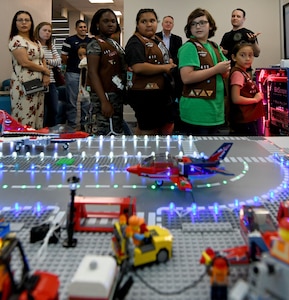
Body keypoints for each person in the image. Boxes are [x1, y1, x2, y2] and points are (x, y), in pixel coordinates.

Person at [178, 8, 230, 135]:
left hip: (215, 111)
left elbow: (225, 71)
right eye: (193, 24)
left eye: (202, 22)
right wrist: (216, 69)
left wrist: (223, 70)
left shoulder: (214, 46)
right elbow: (187, 77)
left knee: (211, 151)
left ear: (210, 25)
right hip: (197, 112)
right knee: (196, 152)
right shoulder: (189, 47)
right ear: (189, 28)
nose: (198, 27)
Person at [125, 8, 177, 135]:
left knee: (161, 128)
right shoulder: (135, 42)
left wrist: (169, 64)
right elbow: (138, 66)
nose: (149, 24)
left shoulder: (157, 40)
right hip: (145, 95)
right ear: (138, 24)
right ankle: (143, 154)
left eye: (152, 20)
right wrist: (165, 68)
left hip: (160, 93)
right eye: (144, 21)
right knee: (148, 130)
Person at [87, 8, 126, 135]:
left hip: (116, 95)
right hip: (104, 96)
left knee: (116, 131)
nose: (110, 24)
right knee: (104, 135)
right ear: (97, 24)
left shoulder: (113, 43)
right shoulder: (95, 44)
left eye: (113, 21)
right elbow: (93, 73)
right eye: (106, 21)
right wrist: (104, 101)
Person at [8, 10, 50, 129]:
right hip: (23, 84)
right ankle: (21, 146)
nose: (24, 23)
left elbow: (42, 58)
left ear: (31, 23)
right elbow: (24, 62)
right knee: (24, 117)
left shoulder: (35, 41)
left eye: (27, 20)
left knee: (37, 116)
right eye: (20, 20)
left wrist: (46, 75)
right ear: (15, 23)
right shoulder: (16, 40)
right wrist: (45, 70)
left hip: (38, 84)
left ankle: (35, 145)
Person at [228, 43, 264, 136]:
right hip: (243, 120)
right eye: (242, 55)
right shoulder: (237, 74)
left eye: (250, 55)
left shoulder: (244, 72)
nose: (247, 58)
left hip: (248, 119)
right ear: (234, 57)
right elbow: (236, 98)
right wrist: (255, 99)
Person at [61, 20, 91, 130]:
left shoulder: (91, 41)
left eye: (84, 27)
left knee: (86, 100)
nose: (83, 29)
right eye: (80, 27)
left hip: (87, 74)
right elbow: (64, 57)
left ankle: (85, 123)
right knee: (72, 100)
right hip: (73, 73)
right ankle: (72, 124)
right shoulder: (69, 40)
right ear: (76, 28)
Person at [156, 16, 184, 133]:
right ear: (162, 24)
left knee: (172, 94)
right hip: (158, 69)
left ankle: (173, 120)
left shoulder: (178, 39)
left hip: (173, 70)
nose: (168, 24)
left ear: (172, 25)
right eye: (166, 22)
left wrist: (172, 63)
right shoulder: (155, 37)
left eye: (170, 23)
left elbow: (178, 55)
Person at [34, 22, 61, 127]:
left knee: (54, 109)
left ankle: (51, 130)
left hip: (51, 81)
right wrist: (49, 62)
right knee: (40, 110)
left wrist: (47, 62)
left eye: (49, 31)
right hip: (38, 80)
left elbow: (58, 61)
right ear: (38, 31)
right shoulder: (34, 45)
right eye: (44, 30)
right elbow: (37, 62)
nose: (47, 33)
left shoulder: (51, 46)